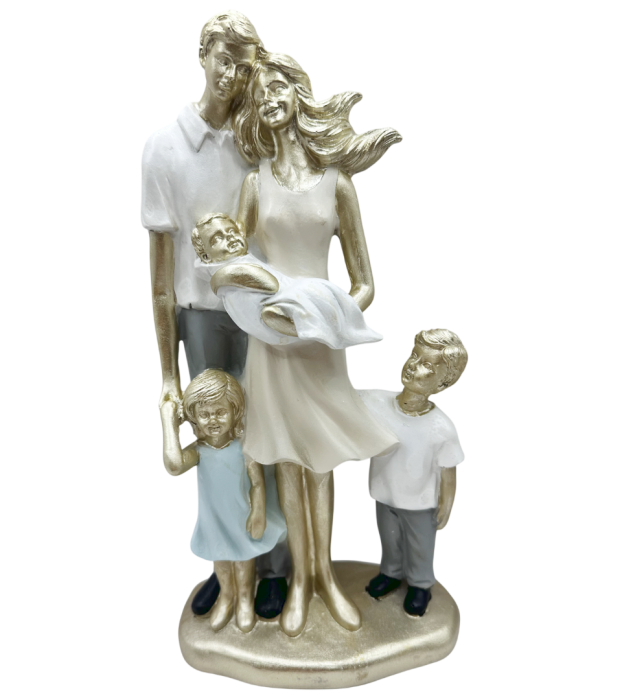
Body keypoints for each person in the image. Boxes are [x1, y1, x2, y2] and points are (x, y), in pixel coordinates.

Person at [232, 52, 401, 636]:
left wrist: (327, 321)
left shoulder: (338, 185)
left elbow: (364, 281)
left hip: (321, 342)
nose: (269, 98)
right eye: (260, 93)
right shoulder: (253, 185)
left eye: (277, 86)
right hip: (271, 341)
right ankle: (300, 582)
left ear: (298, 95)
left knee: (321, 460)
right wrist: (267, 317)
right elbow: (234, 268)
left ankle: (325, 575)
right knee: (285, 457)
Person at [141, 11, 290, 620]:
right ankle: (224, 559)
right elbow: (159, 277)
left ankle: (274, 563)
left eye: (243, 67)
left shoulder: (262, 140)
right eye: (223, 60)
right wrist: (167, 370)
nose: (231, 76)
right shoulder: (165, 148)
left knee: (266, 431)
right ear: (202, 55)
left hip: (259, 310)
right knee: (213, 435)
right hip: (200, 315)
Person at [161, 369, 287, 632]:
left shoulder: (243, 447)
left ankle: (244, 599)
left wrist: (258, 511)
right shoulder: (199, 451)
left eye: (220, 412)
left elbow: (257, 482)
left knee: (242, 560)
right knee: (220, 561)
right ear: (194, 417)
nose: (213, 420)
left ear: (235, 411)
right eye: (204, 414)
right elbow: (174, 465)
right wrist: (168, 420)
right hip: (214, 519)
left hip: (240, 517)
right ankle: (227, 597)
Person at [360, 330, 468, 616]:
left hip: (420, 502)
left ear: (442, 383)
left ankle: (420, 583)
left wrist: (446, 503)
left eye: (427, 365)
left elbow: (448, 470)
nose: (413, 365)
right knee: (390, 538)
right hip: (385, 492)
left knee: (420, 544)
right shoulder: (377, 403)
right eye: (414, 356)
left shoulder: (441, 428)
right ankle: (391, 572)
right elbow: (345, 401)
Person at [191, 212, 382, 349]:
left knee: (309, 298)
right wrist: (221, 277)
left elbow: (272, 285)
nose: (230, 238)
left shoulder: (234, 266)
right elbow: (269, 283)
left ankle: (318, 324)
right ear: (206, 257)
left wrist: (219, 279)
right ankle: (313, 324)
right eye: (217, 239)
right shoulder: (228, 271)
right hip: (266, 314)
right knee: (287, 307)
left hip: (278, 303)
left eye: (232, 231)